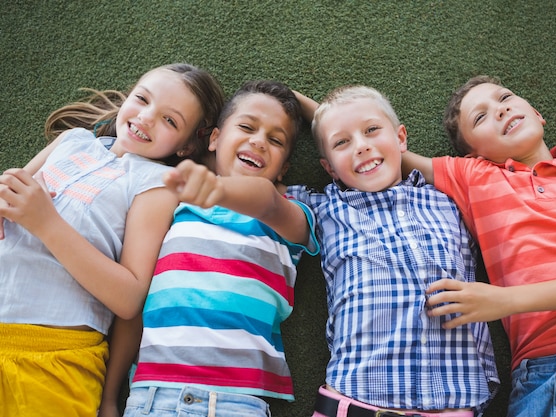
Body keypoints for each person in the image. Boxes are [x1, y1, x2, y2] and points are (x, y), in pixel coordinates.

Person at [0, 63, 224, 416]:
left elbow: (130, 297)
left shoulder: (155, 183)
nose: (147, 118)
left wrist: (46, 222)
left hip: (53, 356)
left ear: (184, 147)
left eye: (170, 121)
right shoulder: (72, 140)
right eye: (143, 99)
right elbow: (10, 197)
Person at [401, 75, 556, 416]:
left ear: (537, 113)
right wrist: (296, 101)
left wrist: (506, 301)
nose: (501, 108)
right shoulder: (475, 177)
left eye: (504, 96)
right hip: (532, 383)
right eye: (480, 117)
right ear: (475, 155)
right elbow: (381, 148)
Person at [100, 80, 320, 417]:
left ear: (284, 169)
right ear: (214, 139)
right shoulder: (170, 204)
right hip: (150, 397)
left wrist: (218, 188)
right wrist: (110, 396)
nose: (259, 141)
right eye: (247, 127)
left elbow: (266, 202)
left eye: (276, 140)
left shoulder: (291, 211)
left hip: (236, 403)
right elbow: (134, 309)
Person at [288, 85, 500, 416]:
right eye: (342, 143)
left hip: (454, 405)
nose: (361, 146)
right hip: (354, 402)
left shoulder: (450, 201)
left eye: (372, 130)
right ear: (329, 168)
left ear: (401, 138)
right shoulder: (324, 207)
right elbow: (254, 189)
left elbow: (524, 183)